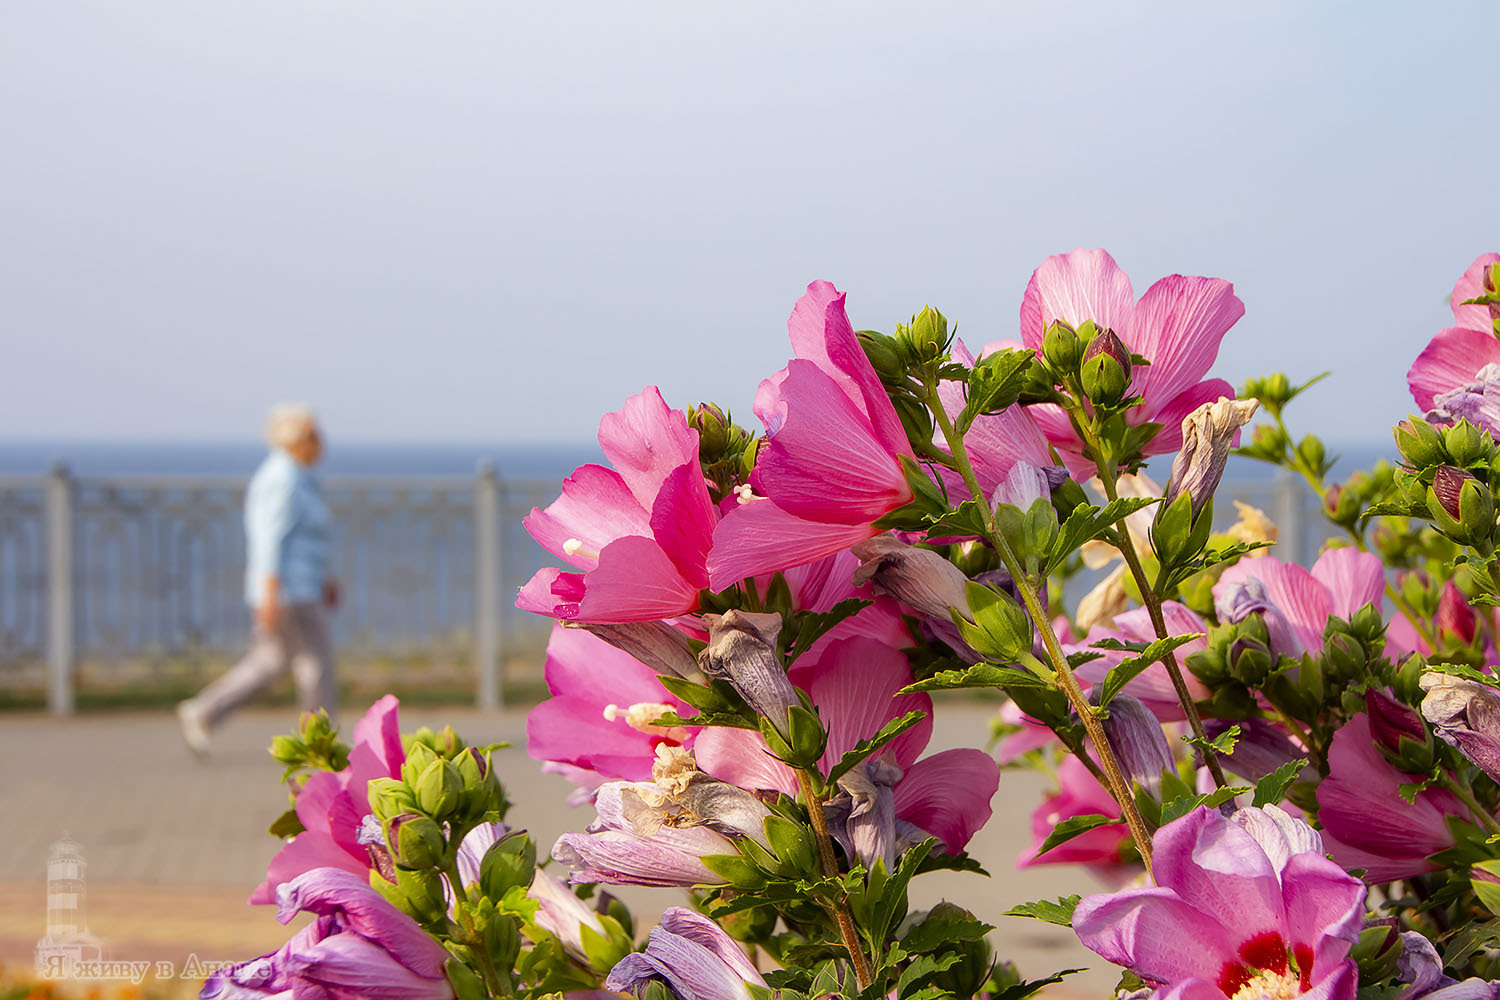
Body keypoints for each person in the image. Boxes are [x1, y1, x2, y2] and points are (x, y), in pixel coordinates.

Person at [177, 404, 339, 756]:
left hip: (298, 587)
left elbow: (305, 539)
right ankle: (320, 742)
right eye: (314, 435)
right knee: (315, 665)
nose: (321, 442)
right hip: (292, 591)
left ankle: (205, 711)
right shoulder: (284, 479)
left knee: (270, 662)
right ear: (297, 440)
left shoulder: (297, 477)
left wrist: (325, 577)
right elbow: (269, 539)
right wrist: (269, 594)